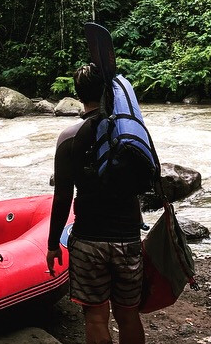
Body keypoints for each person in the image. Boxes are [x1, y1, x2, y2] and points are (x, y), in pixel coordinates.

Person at [46, 63, 145, 344]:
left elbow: (63, 195)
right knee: (129, 315)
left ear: (78, 94)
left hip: (89, 239)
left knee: (96, 316)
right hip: (127, 238)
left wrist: (53, 244)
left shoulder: (69, 138)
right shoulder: (130, 134)